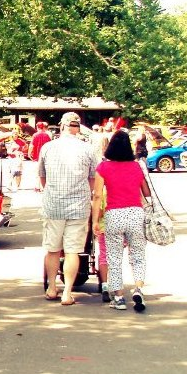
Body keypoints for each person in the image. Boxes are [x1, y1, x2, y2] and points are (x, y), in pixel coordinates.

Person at [38, 111, 97, 306]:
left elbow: (42, 177)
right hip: (78, 207)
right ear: (78, 127)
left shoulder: (47, 147)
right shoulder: (88, 149)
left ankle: (52, 287)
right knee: (72, 250)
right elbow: (92, 180)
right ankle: (67, 292)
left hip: (53, 204)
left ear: (61, 126)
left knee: (52, 249)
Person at [91, 130, 151, 311]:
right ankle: (138, 289)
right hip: (135, 213)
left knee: (114, 257)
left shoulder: (103, 168)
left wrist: (95, 220)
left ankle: (118, 298)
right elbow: (146, 193)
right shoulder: (136, 167)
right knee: (138, 256)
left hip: (114, 215)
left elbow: (97, 197)